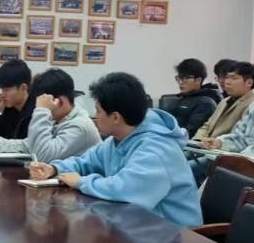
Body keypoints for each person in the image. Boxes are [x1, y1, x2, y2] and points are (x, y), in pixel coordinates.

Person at [27, 72, 201, 226]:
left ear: (116, 117)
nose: (95, 117)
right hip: (138, 225)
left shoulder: (157, 148)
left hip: (175, 236)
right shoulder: (117, 139)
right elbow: (86, 161)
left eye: (98, 111)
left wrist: (81, 182)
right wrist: (54, 168)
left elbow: (125, 189)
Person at [0, 68, 100, 162]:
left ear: (60, 101)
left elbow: (43, 156)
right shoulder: (60, 119)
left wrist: (42, 111)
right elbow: (30, 144)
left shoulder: (79, 127)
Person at [192, 61, 254, 142]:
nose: (227, 82)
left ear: (249, 83)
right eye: (227, 77)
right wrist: (197, 140)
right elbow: (207, 126)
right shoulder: (224, 101)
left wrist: (216, 143)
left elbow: (241, 136)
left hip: (224, 147)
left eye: (234, 78)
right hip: (206, 145)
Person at [162, 58, 220, 136]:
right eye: (179, 78)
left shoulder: (206, 103)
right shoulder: (180, 98)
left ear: (198, 80)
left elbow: (191, 132)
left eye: (186, 78)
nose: (181, 82)